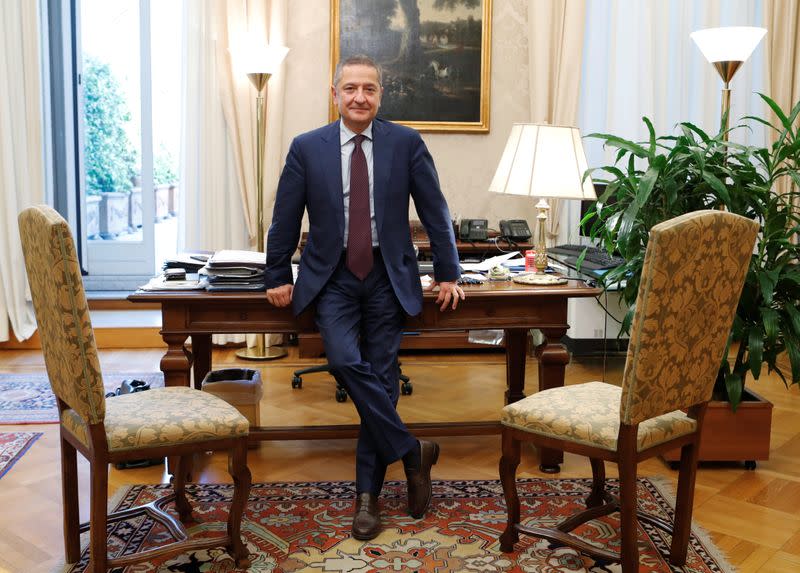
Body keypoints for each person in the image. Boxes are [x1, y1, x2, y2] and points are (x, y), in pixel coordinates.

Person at [265, 54, 464, 540]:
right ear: (335, 94)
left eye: (369, 89)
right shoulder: (306, 148)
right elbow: (285, 217)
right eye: (350, 88)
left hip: (386, 275)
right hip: (331, 275)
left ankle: (367, 500)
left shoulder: (406, 143)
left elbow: (435, 211)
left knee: (381, 377)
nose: (359, 97)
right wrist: (275, 272)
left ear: (380, 95)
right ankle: (413, 450)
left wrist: (448, 272)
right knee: (344, 361)